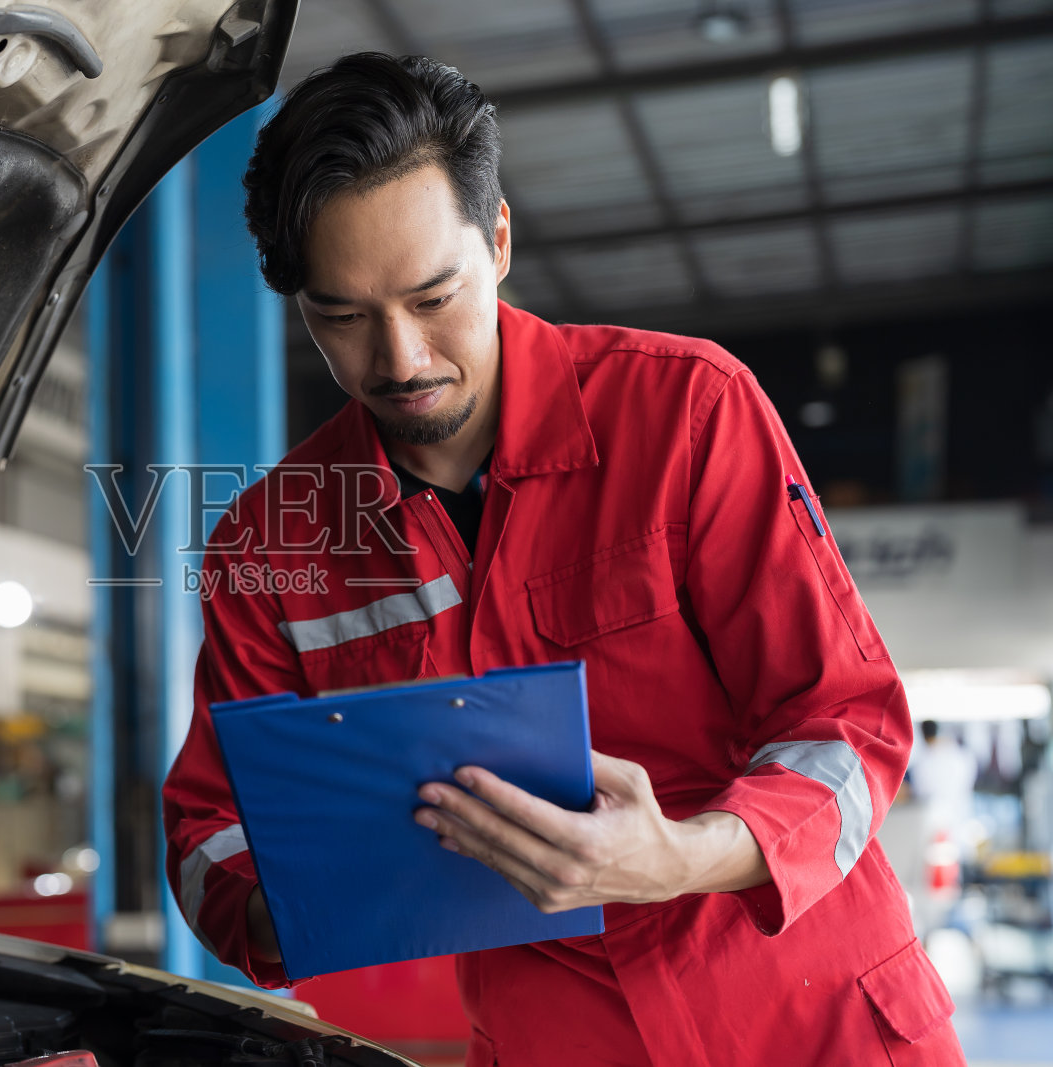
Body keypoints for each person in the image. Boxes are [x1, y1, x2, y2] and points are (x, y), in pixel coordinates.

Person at [160, 52, 964, 1065]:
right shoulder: (273, 543)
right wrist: (302, 902)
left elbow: (847, 726)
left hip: (815, 1021)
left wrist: (679, 855)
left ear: (496, 242)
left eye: (432, 295)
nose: (399, 357)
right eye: (343, 316)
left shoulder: (687, 414)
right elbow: (204, 828)